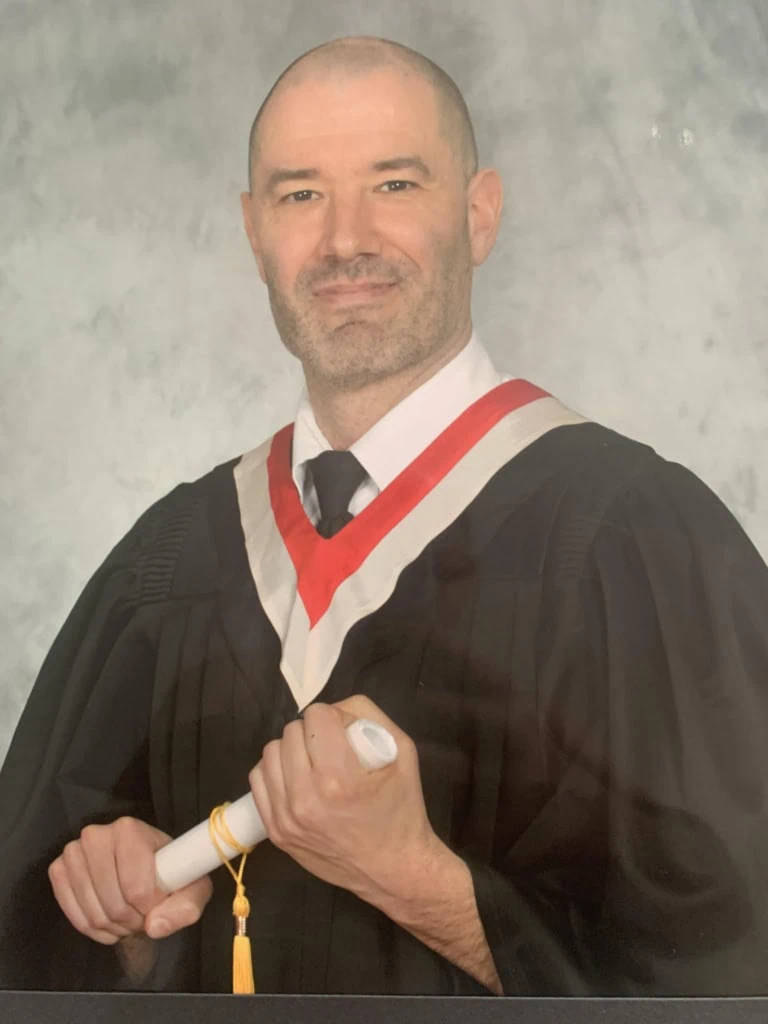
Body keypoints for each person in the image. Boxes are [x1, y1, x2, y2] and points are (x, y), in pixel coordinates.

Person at [2, 34, 768, 998]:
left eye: (395, 186)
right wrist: (124, 930)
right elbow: (26, 951)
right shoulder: (166, 562)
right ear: (252, 231)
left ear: (479, 214)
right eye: (299, 194)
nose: (344, 240)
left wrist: (415, 879)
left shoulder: (640, 541)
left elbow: (735, 971)